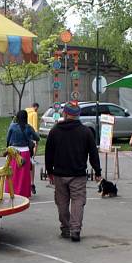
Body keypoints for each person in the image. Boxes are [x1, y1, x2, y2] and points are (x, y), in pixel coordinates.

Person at [44, 102, 102, 242]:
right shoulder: (86, 131)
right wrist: (97, 171)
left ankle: (65, 228)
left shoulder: (55, 131)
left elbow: (48, 153)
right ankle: (75, 229)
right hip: (78, 174)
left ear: (65, 113)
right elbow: (93, 153)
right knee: (78, 201)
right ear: (78, 115)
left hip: (59, 173)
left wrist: (49, 171)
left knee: (62, 202)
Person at [6, 110, 40, 198]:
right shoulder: (29, 127)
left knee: (13, 172)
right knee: (24, 174)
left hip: (14, 152)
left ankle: (11, 190)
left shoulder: (12, 126)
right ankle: (23, 192)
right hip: (25, 152)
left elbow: (8, 139)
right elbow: (37, 138)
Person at [25, 102, 41, 194]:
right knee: (31, 161)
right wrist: (36, 140)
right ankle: (32, 183)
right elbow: (34, 127)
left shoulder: (25, 111)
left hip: (23, 139)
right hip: (31, 138)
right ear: (35, 107)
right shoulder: (34, 114)